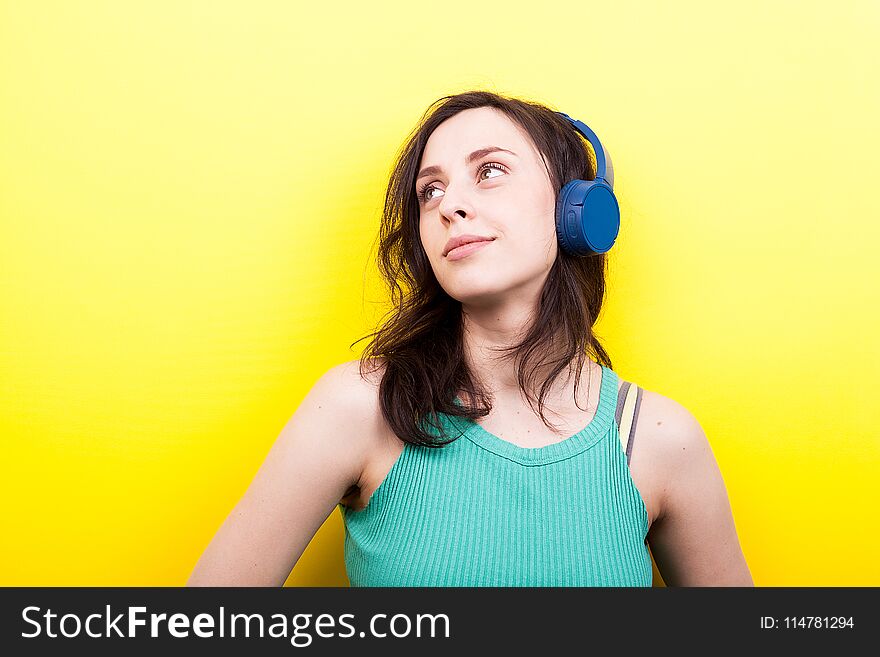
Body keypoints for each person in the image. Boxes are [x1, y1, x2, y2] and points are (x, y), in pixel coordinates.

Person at [186, 90, 753, 587]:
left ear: (575, 210)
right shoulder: (359, 407)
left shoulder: (661, 440)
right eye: (430, 191)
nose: (449, 205)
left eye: (489, 172)